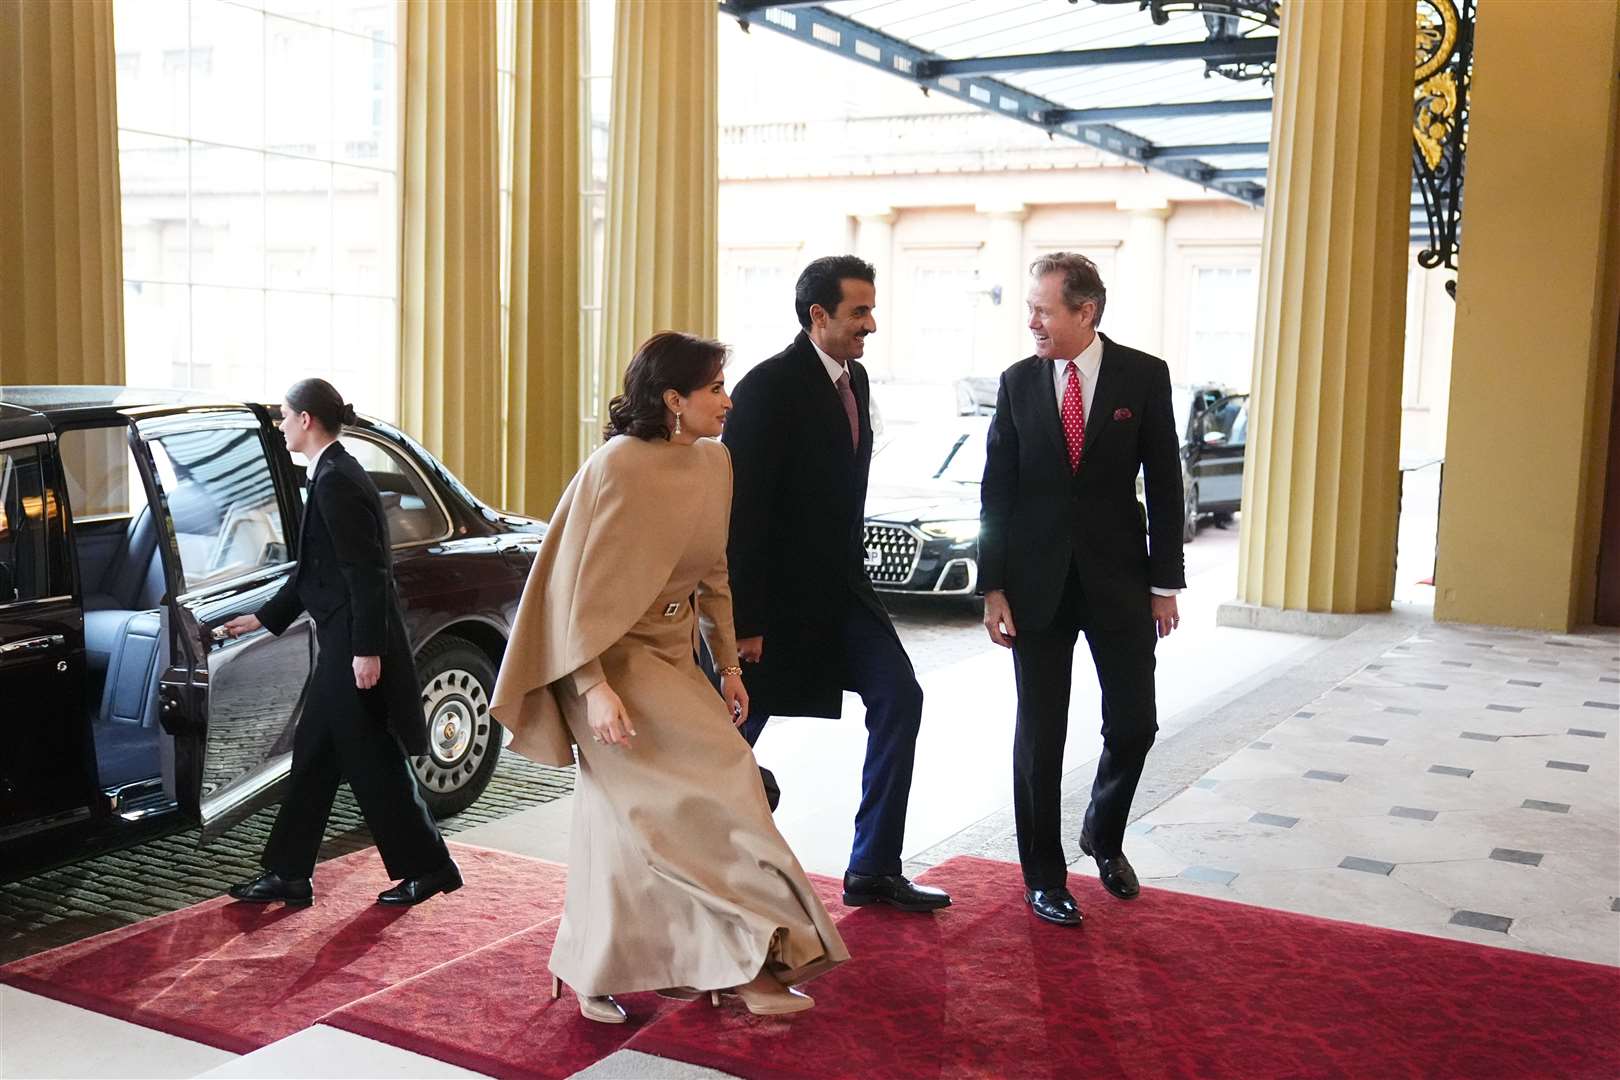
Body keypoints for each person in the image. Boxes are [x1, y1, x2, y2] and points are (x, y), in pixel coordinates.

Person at [490, 331, 847, 1025]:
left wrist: (730, 667)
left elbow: (714, 574)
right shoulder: (616, 466)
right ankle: (753, 961)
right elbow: (572, 592)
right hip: (604, 661)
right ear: (673, 399)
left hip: (674, 658)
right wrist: (592, 689)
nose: (729, 399)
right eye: (715, 387)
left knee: (627, 824)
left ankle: (601, 965)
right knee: (722, 792)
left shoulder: (715, 464)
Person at [722, 255, 950, 914]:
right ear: (818, 315)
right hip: (776, 607)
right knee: (728, 738)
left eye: (872, 310)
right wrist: (745, 625)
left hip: (846, 593)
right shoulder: (768, 387)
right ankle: (681, 869)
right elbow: (745, 512)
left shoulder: (857, 379)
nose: (870, 324)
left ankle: (874, 867)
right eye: (859, 312)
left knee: (900, 697)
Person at [978, 252, 1185, 928]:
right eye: (1030, 308)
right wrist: (993, 586)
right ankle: (1044, 877)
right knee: (1038, 734)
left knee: (1134, 722)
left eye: (1043, 309)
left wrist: (1164, 583)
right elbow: (997, 491)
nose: (1031, 321)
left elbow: (1164, 483)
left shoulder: (1142, 376)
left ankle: (1102, 827)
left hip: (1120, 579)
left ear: (1084, 311)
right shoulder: (1015, 382)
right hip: (1033, 585)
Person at [223, 379, 460, 908]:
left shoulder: (335, 481)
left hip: (352, 645)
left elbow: (367, 573)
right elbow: (318, 572)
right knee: (313, 757)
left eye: (285, 416)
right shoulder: (329, 472)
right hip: (342, 641)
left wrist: (366, 652)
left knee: (373, 758)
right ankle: (288, 873)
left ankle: (429, 866)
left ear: (306, 419)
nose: (281, 425)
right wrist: (263, 619)